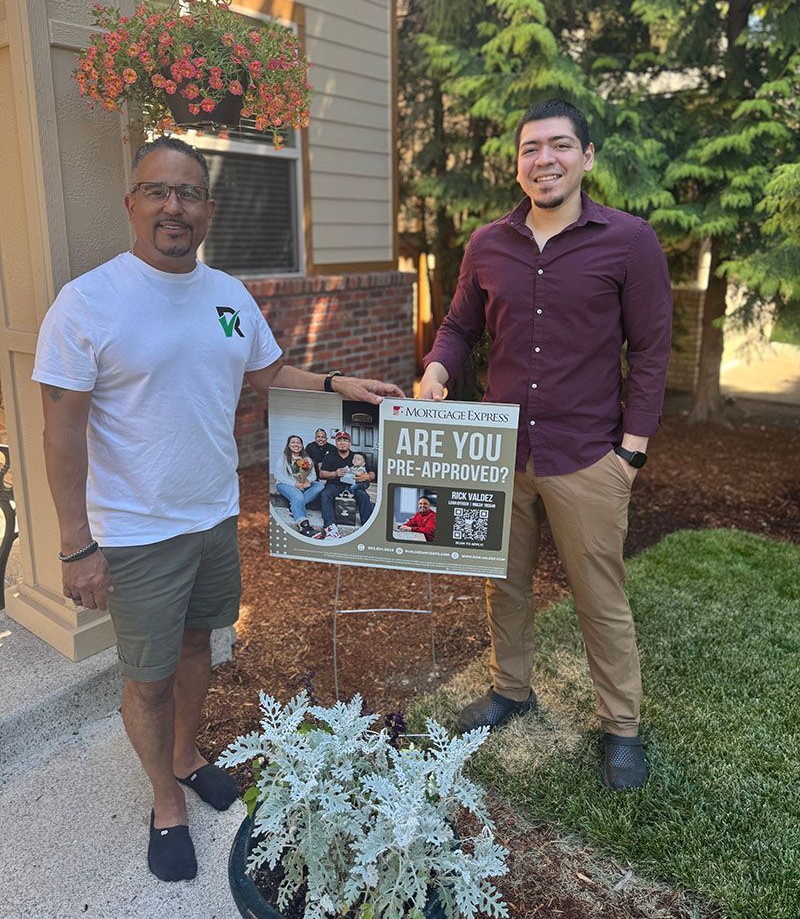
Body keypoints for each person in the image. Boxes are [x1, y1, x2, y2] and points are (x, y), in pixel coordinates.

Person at [32, 136, 403, 883]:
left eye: (189, 193)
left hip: (213, 517)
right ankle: (166, 800)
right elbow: (60, 429)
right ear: (132, 203)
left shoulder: (230, 296)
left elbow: (266, 370)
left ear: (208, 207)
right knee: (147, 678)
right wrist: (76, 544)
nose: (175, 207)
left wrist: (338, 383)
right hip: (135, 534)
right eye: (158, 191)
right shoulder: (87, 302)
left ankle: (185, 752)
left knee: (201, 647)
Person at [418, 99, 672, 791]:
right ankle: (511, 689)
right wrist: (437, 369)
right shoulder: (487, 244)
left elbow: (651, 353)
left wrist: (631, 454)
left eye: (560, 146)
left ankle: (621, 727)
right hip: (499, 453)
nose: (545, 159)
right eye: (531, 148)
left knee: (600, 597)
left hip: (588, 456)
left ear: (587, 157)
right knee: (505, 585)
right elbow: (459, 326)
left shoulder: (630, 241)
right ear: (518, 162)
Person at [314, 430, 375, 539]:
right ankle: (330, 527)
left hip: (354, 486)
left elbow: (372, 473)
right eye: (339, 440)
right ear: (336, 443)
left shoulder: (356, 457)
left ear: (350, 443)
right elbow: (322, 474)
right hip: (335, 485)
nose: (342, 442)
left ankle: (368, 526)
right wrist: (335, 473)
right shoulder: (330, 456)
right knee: (325, 494)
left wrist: (366, 477)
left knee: (363, 495)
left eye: (345, 440)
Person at [273, 435, 324, 536]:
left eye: (298, 443)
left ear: (302, 445)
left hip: (303, 485)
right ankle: (304, 526)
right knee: (297, 495)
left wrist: (307, 481)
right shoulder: (283, 457)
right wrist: (294, 484)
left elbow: (313, 475)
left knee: (320, 486)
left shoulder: (306, 459)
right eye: (293, 442)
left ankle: (294, 506)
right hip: (285, 484)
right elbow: (277, 475)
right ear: (288, 445)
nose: (296, 444)